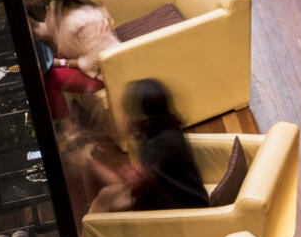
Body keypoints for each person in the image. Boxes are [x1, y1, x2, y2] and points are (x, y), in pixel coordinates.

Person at [81, 80, 212, 214]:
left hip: (182, 211)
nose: (127, 116)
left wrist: (89, 161)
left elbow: (125, 182)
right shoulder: (163, 131)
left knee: (106, 197)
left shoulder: (162, 144)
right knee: (107, 196)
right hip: (170, 198)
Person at [32, 0, 118, 120]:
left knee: (50, 77)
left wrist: (62, 63)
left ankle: (67, 129)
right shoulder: (56, 6)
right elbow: (48, 31)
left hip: (102, 73)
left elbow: (94, 61)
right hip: (78, 62)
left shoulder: (87, 18)